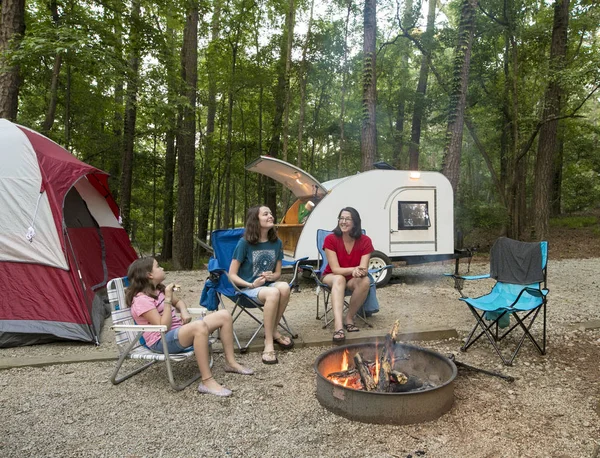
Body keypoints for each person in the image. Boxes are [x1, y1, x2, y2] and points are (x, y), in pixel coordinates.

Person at [127, 257, 253, 397]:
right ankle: (207, 381)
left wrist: (184, 311)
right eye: (158, 266)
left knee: (224, 315)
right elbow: (164, 326)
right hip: (160, 341)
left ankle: (231, 362)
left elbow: (179, 302)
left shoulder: (157, 290)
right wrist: (168, 299)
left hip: (176, 333)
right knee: (199, 326)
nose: (162, 268)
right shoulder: (141, 300)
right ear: (149, 275)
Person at [228, 205, 294, 365]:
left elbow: (278, 273)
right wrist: (251, 284)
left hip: (267, 287)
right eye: (266, 214)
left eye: (270, 213)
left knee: (284, 287)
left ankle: (271, 331)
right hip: (246, 289)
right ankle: (269, 342)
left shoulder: (276, 243)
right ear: (255, 220)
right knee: (273, 293)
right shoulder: (244, 243)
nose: (270, 216)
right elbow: (232, 275)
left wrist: (273, 275)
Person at [322, 207, 373, 342]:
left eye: (347, 219)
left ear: (355, 222)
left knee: (365, 281)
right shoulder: (331, 239)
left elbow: (363, 268)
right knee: (339, 279)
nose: (343, 222)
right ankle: (338, 326)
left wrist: (360, 271)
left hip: (352, 279)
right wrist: (354, 270)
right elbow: (335, 269)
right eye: (341, 218)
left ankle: (349, 318)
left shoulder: (365, 241)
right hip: (331, 276)